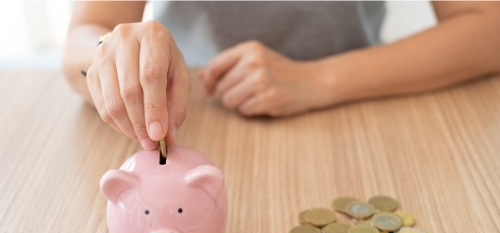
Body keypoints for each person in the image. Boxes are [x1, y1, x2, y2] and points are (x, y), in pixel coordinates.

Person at [63, 1, 500, 151]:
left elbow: (488, 26)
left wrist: (318, 79)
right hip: (193, 112)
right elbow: (83, 38)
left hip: (367, 104)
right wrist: (110, 56)